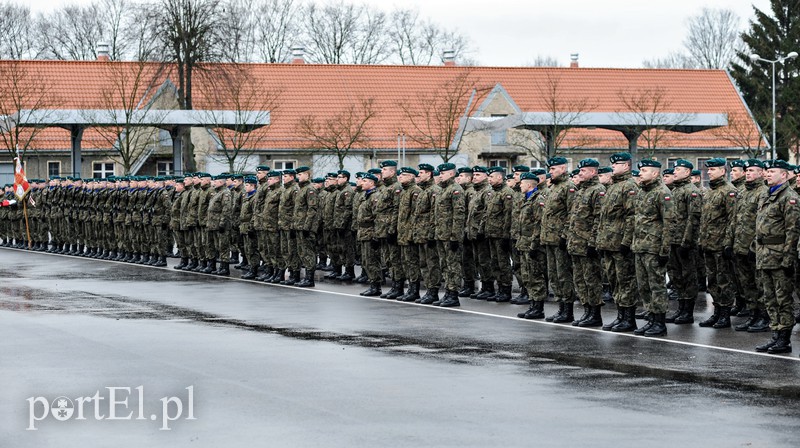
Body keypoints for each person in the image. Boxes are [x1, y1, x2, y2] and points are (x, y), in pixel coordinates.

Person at [754, 160, 799, 354]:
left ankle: (784, 338)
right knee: (769, 298)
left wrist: (788, 259)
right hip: (764, 254)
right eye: (767, 171)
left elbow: (793, 230)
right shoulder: (766, 193)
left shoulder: (790, 198)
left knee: (783, 299)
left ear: (784, 175)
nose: (767, 174)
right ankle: (775, 334)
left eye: (772, 172)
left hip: (780, 256)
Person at [596, 152, 639, 332]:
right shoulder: (613, 186)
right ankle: (620, 315)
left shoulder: (629, 186)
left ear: (627, 166)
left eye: (617, 164)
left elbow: (632, 217)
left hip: (620, 243)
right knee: (614, 281)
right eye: (613, 164)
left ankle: (629, 318)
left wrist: (626, 242)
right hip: (609, 242)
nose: (613, 166)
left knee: (625, 281)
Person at [726, 159, 769, 332]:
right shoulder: (742, 192)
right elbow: (734, 219)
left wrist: (753, 246)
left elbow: (763, 224)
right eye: (747, 170)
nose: (748, 173)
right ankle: (753, 315)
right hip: (739, 247)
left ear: (760, 173)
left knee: (760, 285)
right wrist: (729, 243)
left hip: (754, 249)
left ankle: (764, 317)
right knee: (747, 285)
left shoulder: (764, 192)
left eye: (752, 170)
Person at [632, 159, 672, 337]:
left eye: (645, 170)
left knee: (657, 285)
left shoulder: (663, 193)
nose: (640, 173)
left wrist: (665, 249)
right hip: (640, 246)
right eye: (640, 170)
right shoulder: (642, 192)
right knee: (644, 286)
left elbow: (670, 222)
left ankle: (660, 322)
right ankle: (651, 318)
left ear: (655, 173)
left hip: (654, 247)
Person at [698, 158, 737, 329]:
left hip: (721, 245)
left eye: (713, 169)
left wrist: (728, 243)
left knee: (724, 280)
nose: (709, 172)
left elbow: (733, 220)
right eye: (709, 169)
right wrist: (701, 241)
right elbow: (705, 220)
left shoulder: (729, 191)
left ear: (723, 171)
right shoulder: (710, 192)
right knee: (712, 281)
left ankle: (725, 314)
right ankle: (716, 312)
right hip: (709, 244)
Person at [568, 158, 605, 327]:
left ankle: (595, 313)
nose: (580, 173)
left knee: (592, 280)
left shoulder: (598, 191)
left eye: (583, 171)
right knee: (580, 280)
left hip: (587, 244)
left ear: (593, 172)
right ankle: (587, 311)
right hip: (576, 243)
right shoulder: (580, 190)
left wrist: (592, 242)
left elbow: (598, 219)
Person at [665, 159, 701, 325]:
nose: (675, 171)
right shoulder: (674, 190)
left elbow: (693, 218)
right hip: (672, 240)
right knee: (676, 275)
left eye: (678, 169)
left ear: (687, 172)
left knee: (688, 276)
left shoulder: (691, 191)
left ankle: (688, 311)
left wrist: (686, 242)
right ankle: (680, 307)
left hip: (684, 243)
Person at [541, 157, 576, 322]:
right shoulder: (553, 188)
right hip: (549, 238)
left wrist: (565, 235)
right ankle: (560, 307)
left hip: (560, 239)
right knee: (554, 276)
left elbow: (571, 214)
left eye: (554, 169)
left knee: (564, 275)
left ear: (563, 168)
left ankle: (568, 310)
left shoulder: (568, 187)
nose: (551, 172)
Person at [433, 162, 466, 307]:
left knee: (453, 265)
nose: (440, 175)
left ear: (452, 174)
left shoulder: (455, 190)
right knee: (444, 265)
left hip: (450, 235)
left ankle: (453, 294)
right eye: (440, 173)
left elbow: (458, 215)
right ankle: (447, 291)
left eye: (443, 173)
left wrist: (455, 236)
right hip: (441, 234)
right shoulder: (442, 190)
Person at [516, 171, 548, 319]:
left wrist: (535, 244)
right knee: (527, 276)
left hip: (533, 245)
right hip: (524, 244)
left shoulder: (538, 199)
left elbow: (540, 223)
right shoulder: (525, 199)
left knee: (536, 276)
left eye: (521, 183)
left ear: (529, 185)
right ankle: (532, 304)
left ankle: (538, 307)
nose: (519, 185)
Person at [484, 166, 515, 302]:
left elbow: (508, 215)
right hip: (491, 233)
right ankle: (500, 288)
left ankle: (506, 289)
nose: (489, 179)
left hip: (501, 234)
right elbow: (487, 213)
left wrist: (505, 235)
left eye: (491, 177)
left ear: (499, 177)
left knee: (503, 263)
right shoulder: (491, 192)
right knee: (494, 263)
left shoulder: (507, 192)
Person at [415, 164, 442, 304]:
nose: (419, 175)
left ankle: (434, 291)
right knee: (424, 264)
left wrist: (432, 234)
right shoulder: (423, 191)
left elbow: (434, 214)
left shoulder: (434, 191)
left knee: (432, 264)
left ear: (429, 174)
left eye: (421, 173)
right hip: (421, 233)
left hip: (429, 234)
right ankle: (428, 289)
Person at [396, 167, 422, 302]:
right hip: (403, 233)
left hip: (410, 234)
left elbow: (415, 215)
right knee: (406, 262)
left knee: (413, 262)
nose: (400, 177)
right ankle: (409, 288)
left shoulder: (415, 191)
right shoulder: (404, 191)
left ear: (412, 177)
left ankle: (414, 289)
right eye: (399, 175)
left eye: (404, 175)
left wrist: (412, 234)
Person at [357, 174, 383, 296]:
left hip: (370, 233)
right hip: (363, 232)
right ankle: (372, 283)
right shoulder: (365, 196)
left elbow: (378, 218)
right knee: (366, 260)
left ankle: (376, 286)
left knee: (372, 260)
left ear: (372, 183)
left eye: (365, 181)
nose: (362, 183)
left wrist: (376, 236)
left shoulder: (375, 197)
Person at [293, 167, 319, 287]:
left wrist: (307, 227)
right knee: (302, 252)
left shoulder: (310, 190)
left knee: (308, 252)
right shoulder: (301, 189)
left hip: (306, 227)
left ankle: (310, 278)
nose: (298, 176)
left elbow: (312, 209)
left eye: (300, 174)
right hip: (299, 225)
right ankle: (307, 277)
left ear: (307, 175)